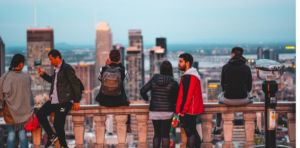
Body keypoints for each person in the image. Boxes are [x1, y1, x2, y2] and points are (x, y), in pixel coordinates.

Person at [36, 49, 81, 148]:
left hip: (64, 100)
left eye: (51, 59)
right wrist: (42, 74)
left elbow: (75, 84)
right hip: (54, 99)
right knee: (40, 113)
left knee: (57, 124)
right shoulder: (56, 69)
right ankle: (51, 135)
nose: (50, 62)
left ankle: (63, 146)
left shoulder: (67, 68)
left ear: (57, 57)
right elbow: (53, 81)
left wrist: (77, 101)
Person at [140, 61, 179, 148]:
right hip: (167, 111)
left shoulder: (154, 78)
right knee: (165, 135)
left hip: (155, 111)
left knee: (157, 134)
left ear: (161, 69)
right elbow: (177, 99)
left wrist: (148, 99)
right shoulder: (173, 82)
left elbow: (143, 90)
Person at [0, 54, 34, 148]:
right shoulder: (26, 78)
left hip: (9, 112)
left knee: (11, 136)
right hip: (23, 113)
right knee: (23, 136)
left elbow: (1, 94)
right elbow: (29, 96)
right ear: (20, 64)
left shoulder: (5, 77)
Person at [96, 49, 131, 132]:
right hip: (119, 101)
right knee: (128, 104)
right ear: (119, 59)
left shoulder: (103, 69)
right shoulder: (123, 71)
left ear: (109, 58)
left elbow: (99, 78)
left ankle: (102, 125)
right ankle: (128, 125)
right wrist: (120, 66)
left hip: (104, 101)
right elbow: (127, 77)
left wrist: (106, 66)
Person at [176, 53, 204, 148]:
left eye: (181, 61)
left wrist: (183, 110)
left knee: (190, 132)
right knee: (193, 131)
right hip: (192, 108)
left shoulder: (189, 76)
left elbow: (188, 95)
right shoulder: (193, 75)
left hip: (189, 109)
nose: (178, 63)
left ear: (187, 63)